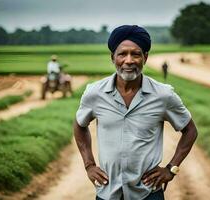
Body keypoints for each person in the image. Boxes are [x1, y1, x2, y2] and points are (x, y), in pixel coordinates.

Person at [74, 25, 198, 200]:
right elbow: (80, 125)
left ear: (145, 58)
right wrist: (89, 165)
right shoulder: (94, 93)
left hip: (148, 193)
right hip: (107, 192)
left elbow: (190, 130)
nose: (129, 60)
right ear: (113, 58)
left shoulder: (163, 95)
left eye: (136, 54)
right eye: (122, 54)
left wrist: (171, 168)